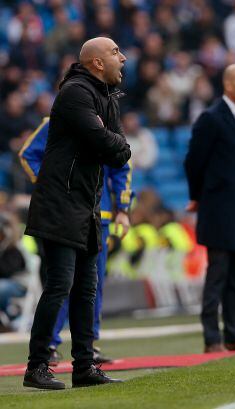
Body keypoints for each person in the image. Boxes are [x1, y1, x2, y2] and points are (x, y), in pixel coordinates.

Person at [22, 36, 131, 390]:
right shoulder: (75, 93)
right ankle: (37, 366)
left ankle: (84, 366)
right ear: (97, 62)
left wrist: (111, 141)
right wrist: (111, 140)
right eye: (115, 52)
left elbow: (120, 151)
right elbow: (106, 143)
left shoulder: (105, 98)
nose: (123, 58)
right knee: (59, 285)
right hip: (59, 204)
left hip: (85, 205)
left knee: (86, 288)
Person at [19, 117, 132, 365]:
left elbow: (121, 166)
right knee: (62, 281)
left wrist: (123, 208)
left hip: (98, 216)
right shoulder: (58, 121)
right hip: (66, 214)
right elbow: (28, 155)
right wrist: (53, 187)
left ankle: (88, 345)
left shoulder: (107, 123)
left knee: (93, 284)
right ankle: (49, 343)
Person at [184, 64, 235, 353]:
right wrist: (198, 196)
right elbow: (194, 161)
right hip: (217, 207)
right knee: (217, 274)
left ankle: (234, 333)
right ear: (228, 85)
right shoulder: (211, 118)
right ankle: (212, 338)